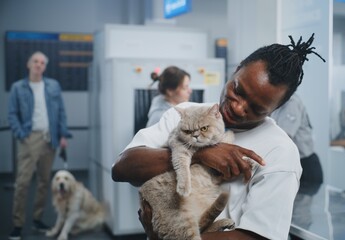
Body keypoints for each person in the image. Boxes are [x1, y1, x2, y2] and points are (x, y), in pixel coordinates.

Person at [111, 34, 325, 240]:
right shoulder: (187, 113)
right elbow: (122, 168)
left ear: (275, 109)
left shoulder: (279, 152)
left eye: (256, 108)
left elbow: (258, 237)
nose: (238, 107)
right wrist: (198, 153)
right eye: (238, 90)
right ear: (237, 69)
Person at [8, 51, 72, 240]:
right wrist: (21, 134)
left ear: (45, 66)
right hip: (30, 138)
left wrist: (62, 135)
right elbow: (12, 114)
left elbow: (61, 111)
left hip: (50, 138)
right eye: (35, 61)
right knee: (23, 183)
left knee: (45, 181)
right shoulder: (18, 87)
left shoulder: (53, 86)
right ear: (29, 64)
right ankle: (18, 224)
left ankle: (37, 219)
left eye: (42, 62)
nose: (39, 65)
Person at [270, 94, 323, 185]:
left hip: (305, 164)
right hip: (294, 163)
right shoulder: (277, 102)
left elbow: (283, 138)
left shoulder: (291, 102)